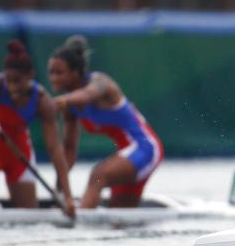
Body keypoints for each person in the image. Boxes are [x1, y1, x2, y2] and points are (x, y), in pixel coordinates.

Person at [0, 40, 76, 217]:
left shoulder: (43, 102)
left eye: (18, 81)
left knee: (30, 217)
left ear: (31, 76)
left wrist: (67, 196)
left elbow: (55, 150)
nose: (12, 87)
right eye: (9, 81)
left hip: (19, 155)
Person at [47, 35, 163, 209]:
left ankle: (79, 228)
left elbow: (87, 95)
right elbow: (69, 150)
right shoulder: (70, 106)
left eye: (59, 73)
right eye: (51, 72)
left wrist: (62, 101)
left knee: (97, 176)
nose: (53, 78)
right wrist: (60, 191)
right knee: (120, 222)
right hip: (128, 157)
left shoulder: (101, 83)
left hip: (145, 149)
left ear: (76, 72)